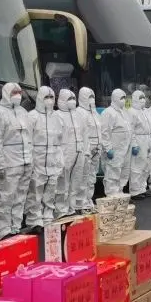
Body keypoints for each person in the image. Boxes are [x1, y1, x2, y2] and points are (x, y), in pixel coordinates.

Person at [0, 82, 32, 239]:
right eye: (14, 92)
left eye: (19, 92)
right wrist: (0, 164)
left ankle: (15, 227)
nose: (17, 95)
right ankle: (2, 230)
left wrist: (30, 159)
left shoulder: (23, 112)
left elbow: (29, 138)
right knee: (4, 198)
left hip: (25, 161)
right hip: (9, 162)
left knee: (20, 197)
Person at [25, 86, 64, 229]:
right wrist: (30, 161)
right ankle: (34, 220)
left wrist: (60, 160)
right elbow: (27, 140)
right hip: (38, 160)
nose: (49, 100)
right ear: (40, 98)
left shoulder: (57, 118)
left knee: (51, 191)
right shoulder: (32, 116)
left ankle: (48, 217)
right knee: (36, 191)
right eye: (46, 97)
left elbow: (60, 141)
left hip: (53, 160)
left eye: (51, 97)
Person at [54, 88, 87, 218]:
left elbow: (84, 134)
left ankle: (71, 207)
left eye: (73, 98)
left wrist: (85, 150)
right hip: (65, 151)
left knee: (76, 180)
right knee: (63, 182)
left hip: (79, 151)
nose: (72, 101)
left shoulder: (78, 115)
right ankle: (61, 210)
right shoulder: (57, 115)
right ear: (62, 100)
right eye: (69, 99)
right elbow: (56, 137)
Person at [100, 88, 133, 197]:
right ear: (114, 98)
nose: (124, 100)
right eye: (121, 98)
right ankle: (112, 194)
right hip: (115, 149)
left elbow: (129, 129)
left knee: (124, 171)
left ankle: (120, 192)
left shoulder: (124, 112)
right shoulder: (108, 112)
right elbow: (104, 132)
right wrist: (108, 148)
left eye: (124, 98)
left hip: (125, 149)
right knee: (113, 172)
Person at [75, 87, 102, 212]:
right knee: (82, 178)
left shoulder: (94, 113)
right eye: (89, 97)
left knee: (91, 178)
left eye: (93, 97)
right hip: (86, 150)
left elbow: (99, 130)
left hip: (96, 149)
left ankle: (88, 202)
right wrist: (84, 149)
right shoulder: (79, 113)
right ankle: (80, 204)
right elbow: (79, 133)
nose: (92, 99)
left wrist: (100, 145)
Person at [127, 90, 151, 200]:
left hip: (148, 139)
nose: (143, 100)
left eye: (143, 97)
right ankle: (135, 190)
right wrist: (134, 144)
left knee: (146, 165)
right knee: (137, 166)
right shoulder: (131, 112)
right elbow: (131, 130)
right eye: (140, 98)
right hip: (139, 139)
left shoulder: (146, 111)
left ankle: (142, 188)